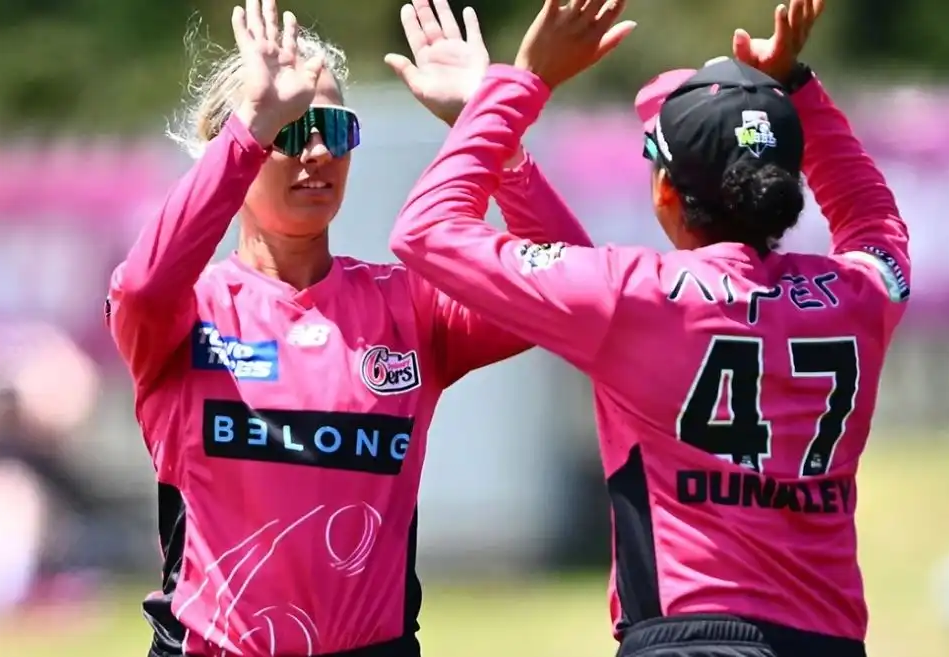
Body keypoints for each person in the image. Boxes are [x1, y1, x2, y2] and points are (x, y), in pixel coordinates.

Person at [390, 0, 910, 655]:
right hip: (830, 642)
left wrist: (513, 89)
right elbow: (875, 222)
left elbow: (427, 230)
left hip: (686, 640)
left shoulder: (637, 297)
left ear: (666, 191)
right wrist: (796, 84)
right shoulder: (859, 292)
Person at [106, 1, 590, 655]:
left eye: (333, 129)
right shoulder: (186, 311)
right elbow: (138, 284)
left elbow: (571, 286)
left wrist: (494, 128)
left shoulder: (407, 305)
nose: (315, 151)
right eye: (288, 128)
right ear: (240, 147)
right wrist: (248, 128)